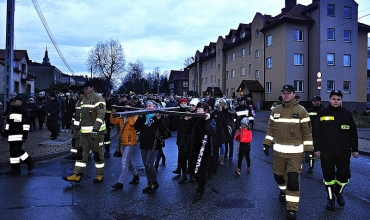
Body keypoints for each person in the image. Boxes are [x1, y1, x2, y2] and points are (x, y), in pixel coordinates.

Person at [262, 85, 313, 220]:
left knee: (293, 180)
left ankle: (292, 209)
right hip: (278, 153)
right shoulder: (276, 110)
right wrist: (267, 144)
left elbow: (307, 133)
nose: (286, 95)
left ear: (294, 94)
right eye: (284, 93)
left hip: (295, 154)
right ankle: (283, 191)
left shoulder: (301, 111)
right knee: (278, 177)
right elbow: (270, 129)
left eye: (288, 93)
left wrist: (308, 150)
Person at [313, 90, 359, 211]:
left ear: (341, 100)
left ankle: (339, 192)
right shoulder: (323, 113)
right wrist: (316, 149)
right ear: (329, 100)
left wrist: (355, 149)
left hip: (343, 151)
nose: (336, 101)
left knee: (344, 175)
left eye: (338, 99)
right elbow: (316, 133)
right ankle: (330, 198)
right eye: (334, 99)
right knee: (328, 177)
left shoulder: (347, 114)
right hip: (327, 151)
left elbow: (353, 133)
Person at [63, 81, 107, 183]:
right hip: (84, 133)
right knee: (81, 153)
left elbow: (101, 115)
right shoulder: (82, 100)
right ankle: (77, 174)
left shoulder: (98, 98)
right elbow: (79, 116)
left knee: (97, 154)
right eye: (84, 87)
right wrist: (76, 129)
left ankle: (99, 174)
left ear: (92, 87)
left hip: (96, 133)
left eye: (87, 87)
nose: (85, 89)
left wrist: (95, 129)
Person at [134, 100, 168, 194]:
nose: (148, 107)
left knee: (149, 165)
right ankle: (149, 183)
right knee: (146, 165)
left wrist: (159, 119)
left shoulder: (159, 116)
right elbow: (136, 127)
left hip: (154, 144)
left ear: (155, 107)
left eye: (150, 106)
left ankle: (154, 182)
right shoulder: (144, 116)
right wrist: (140, 117)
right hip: (144, 143)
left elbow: (164, 129)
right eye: (146, 106)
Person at [188, 102, 216, 203]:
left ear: (206, 110)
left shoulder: (211, 119)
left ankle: (200, 189)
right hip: (194, 149)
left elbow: (212, 132)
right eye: (198, 108)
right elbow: (186, 130)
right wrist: (185, 120)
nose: (199, 110)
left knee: (201, 172)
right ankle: (199, 181)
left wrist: (207, 121)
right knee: (191, 169)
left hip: (205, 150)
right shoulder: (194, 119)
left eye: (201, 108)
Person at [110, 105, 140, 189]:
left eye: (128, 110)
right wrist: (113, 112)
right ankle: (135, 175)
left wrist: (130, 115)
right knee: (128, 161)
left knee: (124, 162)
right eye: (125, 109)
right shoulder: (121, 117)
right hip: (122, 142)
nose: (126, 111)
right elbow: (113, 121)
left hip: (131, 142)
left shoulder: (135, 116)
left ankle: (120, 182)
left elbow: (132, 124)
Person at [3, 96, 35, 175]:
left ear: (20, 102)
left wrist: (25, 135)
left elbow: (26, 124)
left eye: (15, 101)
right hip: (11, 135)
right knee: (13, 153)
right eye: (13, 101)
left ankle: (29, 161)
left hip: (19, 134)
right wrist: (5, 133)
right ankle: (15, 170)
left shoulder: (23, 111)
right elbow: (9, 124)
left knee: (17, 150)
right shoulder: (11, 110)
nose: (13, 102)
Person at [176, 98, 199, 183]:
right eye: (191, 105)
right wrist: (184, 120)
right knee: (183, 158)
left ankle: (192, 175)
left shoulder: (197, 115)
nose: (191, 107)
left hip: (192, 140)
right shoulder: (185, 114)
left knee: (192, 158)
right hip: (184, 139)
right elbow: (179, 126)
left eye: (193, 105)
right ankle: (184, 175)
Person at [207, 97, 229, 179]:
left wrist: (227, 137)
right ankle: (211, 169)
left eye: (210, 106)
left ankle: (213, 169)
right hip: (209, 138)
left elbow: (223, 125)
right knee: (210, 155)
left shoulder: (218, 113)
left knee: (214, 155)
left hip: (216, 137)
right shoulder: (207, 113)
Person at [305, 95, 324, 173]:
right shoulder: (308, 110)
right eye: (313, 101)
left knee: (323, 155)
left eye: (316, 101)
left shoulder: (324, 110)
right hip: (311, 134)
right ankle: (311, 166)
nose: (315, 102)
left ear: (320, 101)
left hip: (322, 135)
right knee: (311, 153)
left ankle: (325, 171)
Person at [65, 90, 84, 160]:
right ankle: (73, 154)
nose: (77, 96)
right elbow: (75, 113)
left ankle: (85, 155)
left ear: (82, 95)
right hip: (76, 125)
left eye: (78, 95)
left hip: (83, 126)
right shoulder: (77, 102)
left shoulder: (86, 102)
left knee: (83, 141)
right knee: (75, 140)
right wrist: (72, 123)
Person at [172, 97, 189, 175]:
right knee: (180, 153)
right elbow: (177, 124)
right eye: (182, 103)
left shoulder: (190, 112)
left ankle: (187, 168)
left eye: (185, 103)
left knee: (188, 153)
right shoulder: (177, 113)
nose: (183, 105)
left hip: (188, 135)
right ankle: (179, 167)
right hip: (180, 135)